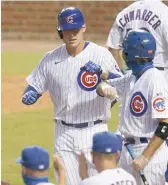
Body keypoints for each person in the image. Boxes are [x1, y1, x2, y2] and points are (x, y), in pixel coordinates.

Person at [21, 7, 122, 185]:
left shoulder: (101, 55)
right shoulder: (50, 59)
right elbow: (33, 87)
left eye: (75, 30)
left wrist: (105, 75)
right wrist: (29, 94)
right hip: (63, 133)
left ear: (83, 28)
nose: (72, 35)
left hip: (95, 130)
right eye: (67, 31)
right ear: (60, 31)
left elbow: (124, 85)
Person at [82, 30, 168, 185]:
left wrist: (145, 157)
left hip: (149, 153)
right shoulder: (134, 76)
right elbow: (111, 84)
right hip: (128, 150)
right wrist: (102, 86)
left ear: (131, 53)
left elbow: (165, 123)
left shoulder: (154, 80)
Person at [106, 0, 168, 79]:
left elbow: (113, 51)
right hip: (159, 77)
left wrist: (120, 77)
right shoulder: (164, 12)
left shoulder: (124, 13)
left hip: (132, 77)